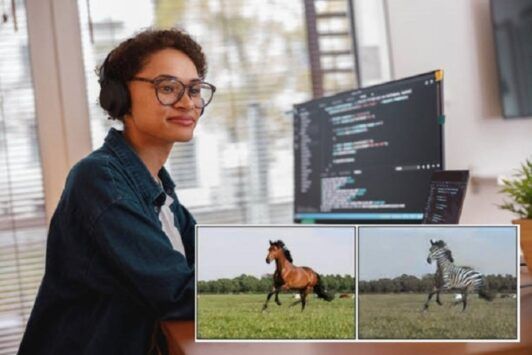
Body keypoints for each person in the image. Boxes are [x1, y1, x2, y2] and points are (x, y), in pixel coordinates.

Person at [18, 28, 215, 354]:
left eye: (194, 90)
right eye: (168, 88)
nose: (187, 102)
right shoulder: (101, 179)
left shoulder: (156, 187)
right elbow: (179, 293)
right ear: (119, 96)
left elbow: (210, 259)